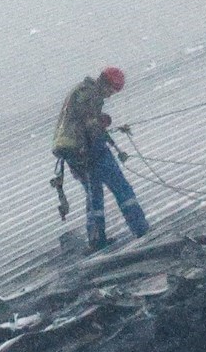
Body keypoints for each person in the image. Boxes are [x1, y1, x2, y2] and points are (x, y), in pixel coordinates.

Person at [51, 67, 149, 251]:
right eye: (112, 90)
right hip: (87, 149)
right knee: (121, 187)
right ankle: (141, 228)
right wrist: (103, 131)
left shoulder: (80, 91)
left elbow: (79, 119)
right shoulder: (91, 94)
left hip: (70, 152)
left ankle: (96, 240)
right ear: (106, 84)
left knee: (93, 193)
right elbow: (90, 125)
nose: (111, 95)